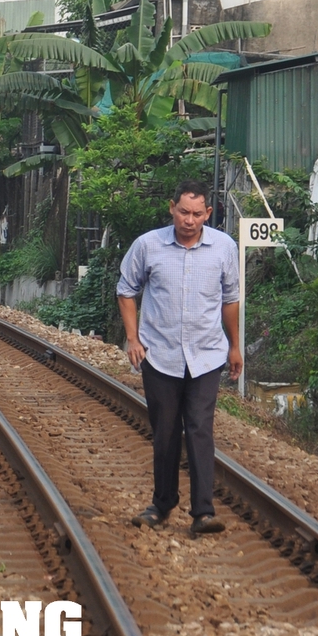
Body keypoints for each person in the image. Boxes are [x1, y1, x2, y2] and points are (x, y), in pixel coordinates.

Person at [115, 179, 241, 538]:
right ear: (172, 208)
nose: (189, 220)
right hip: (161, 355)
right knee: (166, 432)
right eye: (183, 212)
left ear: (208, 214)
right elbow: (126, 290)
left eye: (197, 214)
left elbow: (230, 299)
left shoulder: (223, 248)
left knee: (200, 429)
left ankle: (203, 512)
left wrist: (234, 346)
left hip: (206, 355)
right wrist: (133, 338)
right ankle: (163, 503)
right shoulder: (148, 246)